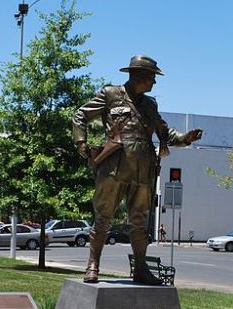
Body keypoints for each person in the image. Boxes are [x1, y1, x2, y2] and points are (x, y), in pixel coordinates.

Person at [73, 55, 203, 284]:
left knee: (140, 223)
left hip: (143, 171)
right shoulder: (110, 94)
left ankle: (141, 268)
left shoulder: (150, 104)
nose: (154, 83)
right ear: (138, 76)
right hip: (114, 168)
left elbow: (164, 133)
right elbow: (81, 115)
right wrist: (81, 144)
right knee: (103, 219)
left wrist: (184, 138)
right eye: (152, 78)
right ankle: (93, 266)